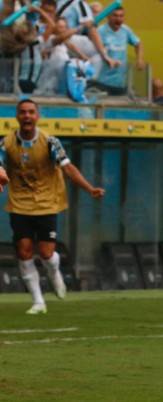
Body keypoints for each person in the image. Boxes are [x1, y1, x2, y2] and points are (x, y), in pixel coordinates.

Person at [0, 98, 104, 315]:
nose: (27, 116)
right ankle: (38, 301)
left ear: (37, 116)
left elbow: (68, 169)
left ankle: (54, 272)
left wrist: (89, 189)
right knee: (24, 251)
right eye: (22, 112)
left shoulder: (50, 142)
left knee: (46, 254)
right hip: (20, 204)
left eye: (31, 112)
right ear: (17, 116)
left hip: (47, 203)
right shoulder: (6, 143)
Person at [91, 5, 143, 95]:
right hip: (102, 82)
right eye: (115, 16)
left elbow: (138, 43)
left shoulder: (126, 30)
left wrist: (139, 59)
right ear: (108, 16)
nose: (118, 19)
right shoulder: (100, 31)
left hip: (120, 82)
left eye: (121, 16)